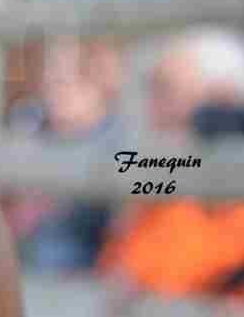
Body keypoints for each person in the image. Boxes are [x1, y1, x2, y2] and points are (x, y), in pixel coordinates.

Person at [98, 27, 244, 300]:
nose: (151, 110)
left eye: (166, 91)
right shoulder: (159, 186)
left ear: (222, 100)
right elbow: (118, 273)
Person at [4, 36, 122, 271]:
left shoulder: (114, 139)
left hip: (82, 274)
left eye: (67, 82)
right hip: (25, 266)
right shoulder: (36, 129)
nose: (53, 92)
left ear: (97, 85)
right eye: (50, 82)